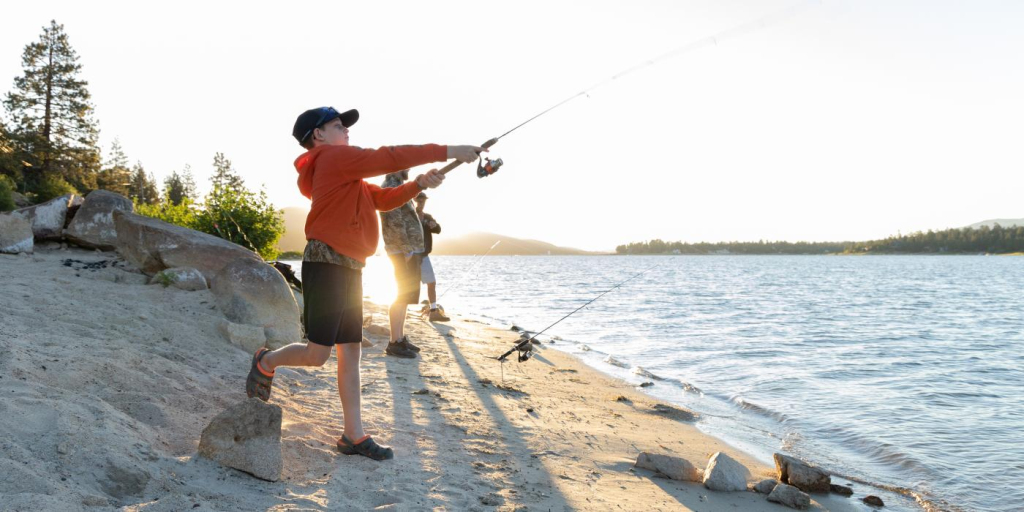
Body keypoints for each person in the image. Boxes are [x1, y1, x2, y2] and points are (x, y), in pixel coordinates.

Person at [244, 106, 482, 461]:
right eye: (339, 126)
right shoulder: (331, 159)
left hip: (351, 267)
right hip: (325, 264)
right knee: (317, 354)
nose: (347, 131)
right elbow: (389, 157)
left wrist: (418, 183)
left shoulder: (345, 175)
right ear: (318, 135)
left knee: (351, 352)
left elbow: (383, 200)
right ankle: (267, 361)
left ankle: (353, 435)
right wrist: (450, 151)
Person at [379, 170, 429, 353]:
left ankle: (399, 338)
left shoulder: (399, 186)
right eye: (406, 167)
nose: (409, 169)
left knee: (405, 296)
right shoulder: (391, 187)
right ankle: (394, 342)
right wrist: (407, 249)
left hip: (406, 249)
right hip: (401, 250)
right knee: (401, 295)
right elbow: (395, 220)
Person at [414, 192, 449, 322]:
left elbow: (438, 229)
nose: (421, 203)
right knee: (409, 285)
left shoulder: (428, 217)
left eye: (423, 201)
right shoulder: (409, 215)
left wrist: (434, 225)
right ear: (414, 200)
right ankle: (402, 310)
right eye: (419, 200)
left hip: (423, 255)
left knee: (431, 283)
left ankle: (433, 312)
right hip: (410, 255)